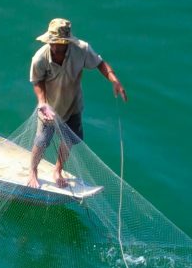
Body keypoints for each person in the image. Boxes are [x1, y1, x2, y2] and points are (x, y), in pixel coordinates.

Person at [27, 17, 124, 186]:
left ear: (67, 43)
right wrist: (42, 103)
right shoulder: (39, 58)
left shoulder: (82, 49)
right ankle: (32, 170)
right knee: (42, 141)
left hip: (73, 105)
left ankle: (57, 169)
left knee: (69, 140)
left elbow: (100, 63)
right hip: (49, 108)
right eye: (52, 42)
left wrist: (114, 80)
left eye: (59, 43)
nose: (54, 46)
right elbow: (37, 81)